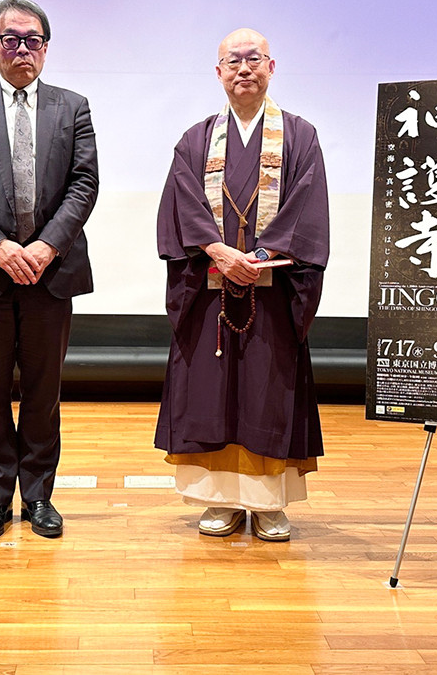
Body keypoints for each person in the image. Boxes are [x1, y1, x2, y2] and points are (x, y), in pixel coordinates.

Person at [155, 28, 330, 541]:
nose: (244, 69)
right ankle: (220, 501)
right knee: (211, 392)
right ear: (219, 72)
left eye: (255, 59)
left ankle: (269, 503)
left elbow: (306, 207)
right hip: (209, 290)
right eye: (234, 61)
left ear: (272, 67)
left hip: (271, 291)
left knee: (266, 389)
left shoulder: (299, 136)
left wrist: (260, 257)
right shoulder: (194, 139)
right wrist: (217, 251)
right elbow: (181, 204)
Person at [0, 0, 99, 541]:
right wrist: (0, 248)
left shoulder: (72, 106)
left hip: (51, 275)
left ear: (46, 50)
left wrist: (47, 247)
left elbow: (84, 185)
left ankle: (39, 497)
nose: (23, 48)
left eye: (33, 40)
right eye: (12, 39)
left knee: (43, 391)